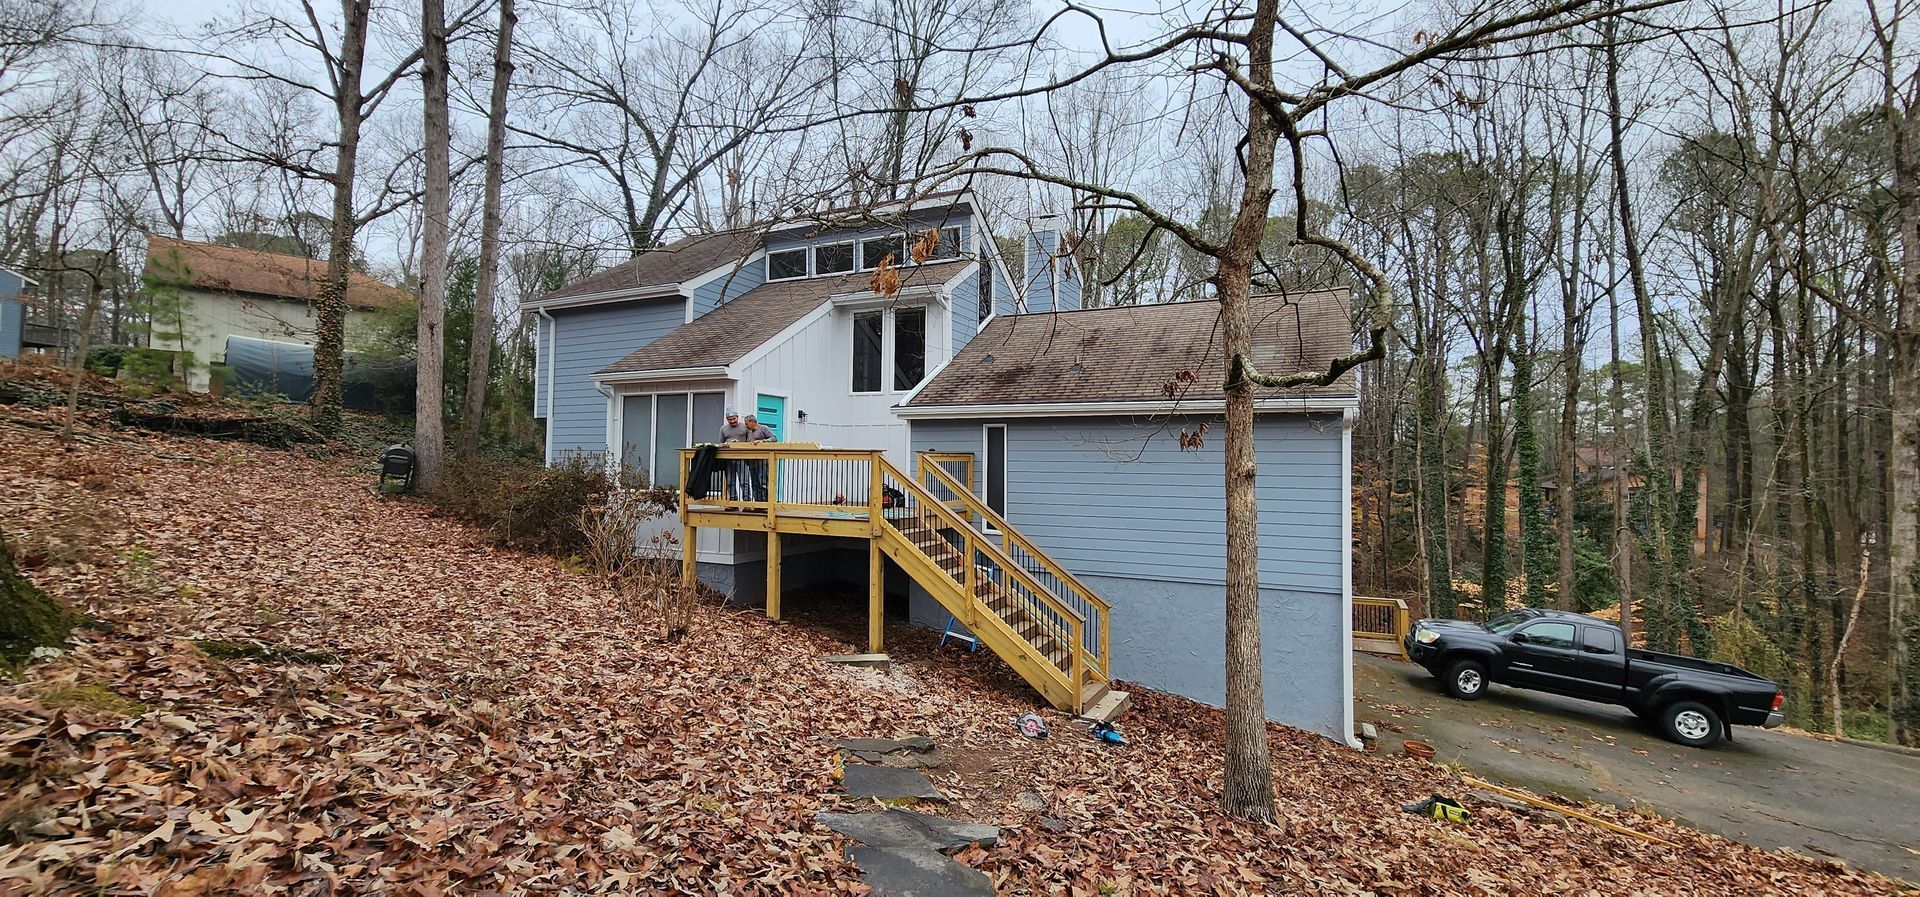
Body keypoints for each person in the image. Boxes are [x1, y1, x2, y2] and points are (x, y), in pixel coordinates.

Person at [718, 406, 753, 500]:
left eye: (734, 419)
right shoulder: (723, 429)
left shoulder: (744, 427)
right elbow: (720, 444)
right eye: (730, 419)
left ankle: (747, 502)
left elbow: (750, 441)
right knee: (730, 481)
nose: (732, 421)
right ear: (727, 419)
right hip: (728, 459)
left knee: (744, 481)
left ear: (737, 417)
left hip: (742, 458)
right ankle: (733, 501)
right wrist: (726, 444)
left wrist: (740, 444)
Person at [741, 414, 774, 501]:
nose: (745, 425)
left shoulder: (763, 428)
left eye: (746, 423)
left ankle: (766, 505)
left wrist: (763, 441)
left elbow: (774, 438)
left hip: (762, 461)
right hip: (752, 462)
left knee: (763, 483)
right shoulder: (749, 434)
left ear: (752, 422)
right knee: (755, 484)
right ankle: (757, 504)